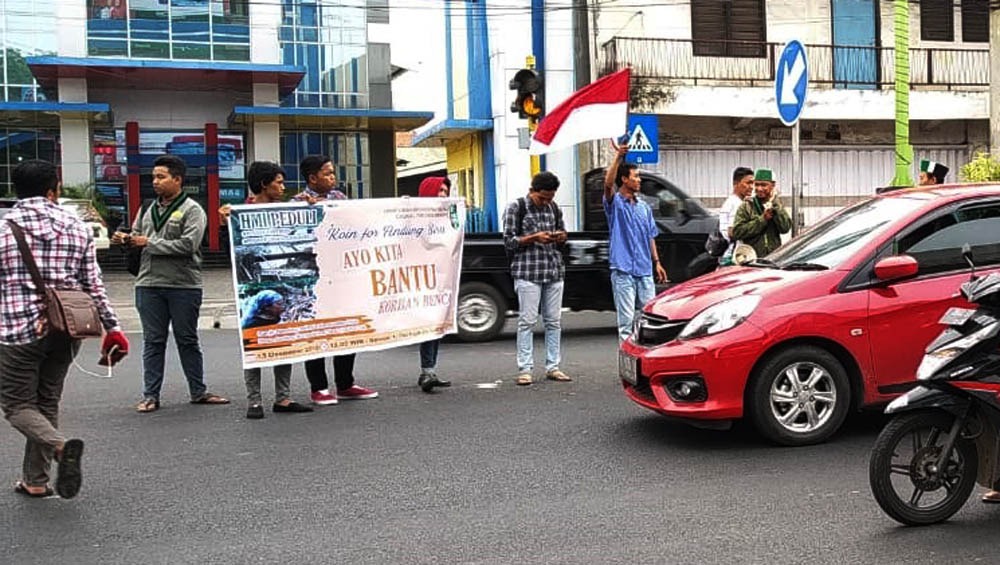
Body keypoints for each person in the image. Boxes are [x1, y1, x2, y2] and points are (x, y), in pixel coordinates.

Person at [0, 159, 129, 499]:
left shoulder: (3, 229)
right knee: (47, 401)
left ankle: (59, 447)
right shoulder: (77, 227)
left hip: (17, 331)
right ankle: (36, 480)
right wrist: (112, 328)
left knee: (17, 406)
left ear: (16, 192)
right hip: (67, 328)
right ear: (53, 190)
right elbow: (94, 286)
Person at [113, 154, 229, 413]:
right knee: (153, 341)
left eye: (161, 177)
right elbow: (137, 236)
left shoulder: (193, 210)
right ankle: (150, 395)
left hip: (183, 285)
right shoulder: (146, 208)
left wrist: (148, 243)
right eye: (153, 177)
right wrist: (126, 239)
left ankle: (198, 391)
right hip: (148, 283)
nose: (155, 182)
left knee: (187, 339)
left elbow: (189, 244)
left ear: (177, 180)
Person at [294, 155, 378, 403]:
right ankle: (318, 387)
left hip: (342, 274)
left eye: (333, 173)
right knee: (316, 330)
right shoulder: (298, 203)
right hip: (315, 277)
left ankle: (345, 383)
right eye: (327, 173)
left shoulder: (340, 199)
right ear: (312, 178)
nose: (333, 178)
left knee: (346, 326)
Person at [233, 161, 313, 419]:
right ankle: (254, 401)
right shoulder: (241, 214)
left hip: (283, 290)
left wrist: (311, 208)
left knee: (282, 342)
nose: (282, 187)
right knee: (253, 343)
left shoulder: (286, 211)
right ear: (264, 184)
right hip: (255, 290)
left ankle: (283, 397)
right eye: (278, 182)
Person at [503, 171, 572, 386]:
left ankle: (553, 366)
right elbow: (508, 241)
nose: (545, 202)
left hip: (553, 270)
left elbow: (563, 234)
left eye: (549, 198)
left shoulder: (554, 207)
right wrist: (533, 238)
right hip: (528, 271)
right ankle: (525, 368)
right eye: (541, 198)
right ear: (532, 190)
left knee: (554, 322)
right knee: (527, 321)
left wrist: (561, 236)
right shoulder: (516, 207)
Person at [603, 145, 668, 342]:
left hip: (644, 269)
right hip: (623, 270)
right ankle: (627, 363)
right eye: (636, 176)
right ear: (624, 179)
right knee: (626, 322)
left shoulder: (644, 208)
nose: (639, 180)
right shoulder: (615, 204)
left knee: (649, 318)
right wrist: (618, 157)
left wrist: (656, 262)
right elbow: (607, 185)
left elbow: (650, 236)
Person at [415, 176, 453, 393]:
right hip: (420, 279)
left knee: (436, 326)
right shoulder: (413, 218)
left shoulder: (448, 219)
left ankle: (429, 370)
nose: (443, 195)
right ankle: (427, 370)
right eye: (439, 190)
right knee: (428, 325)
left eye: (445, 191)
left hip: (439, 278)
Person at [731, 168, 792, 258]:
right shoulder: (747, 206)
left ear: (773, 185)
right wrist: (762, 220)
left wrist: (776, 207)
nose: (759, 189)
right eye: (757, 185)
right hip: (752, 258)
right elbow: (737, 232)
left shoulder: (777, 205)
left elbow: (785, 228)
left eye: (764, 185)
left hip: (774, 258)